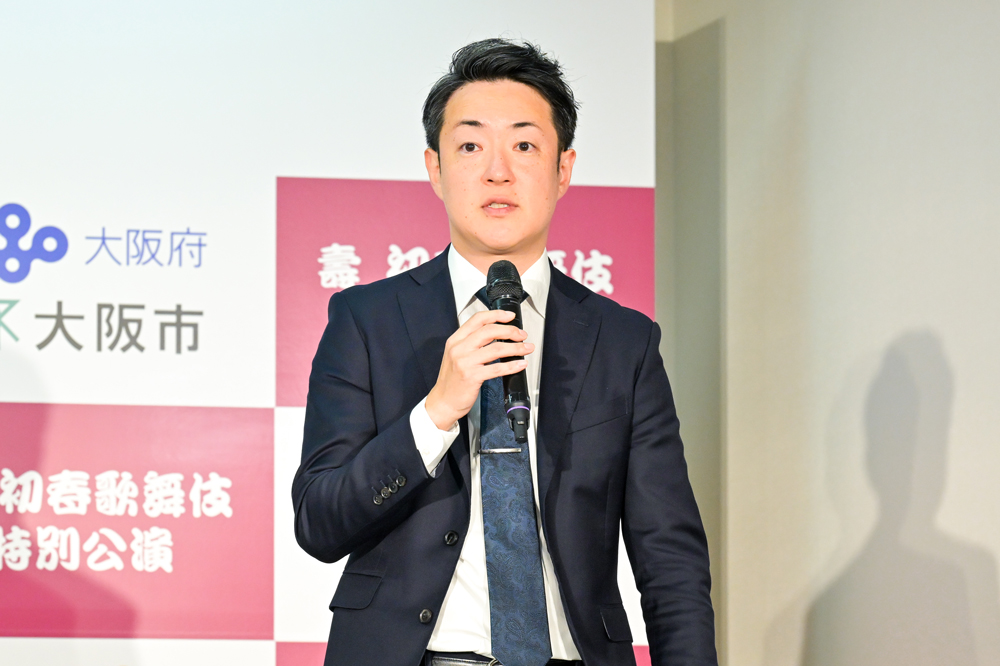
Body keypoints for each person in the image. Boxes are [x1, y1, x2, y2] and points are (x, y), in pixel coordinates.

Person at [292, 38, 717, 666]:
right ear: (435, 169)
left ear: (563, 170)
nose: (498, 171)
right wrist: (435, 412)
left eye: (524, 146)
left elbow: (671, 560)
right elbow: (320, 523)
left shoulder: (624, 342)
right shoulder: (365, 321)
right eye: (470, 146)